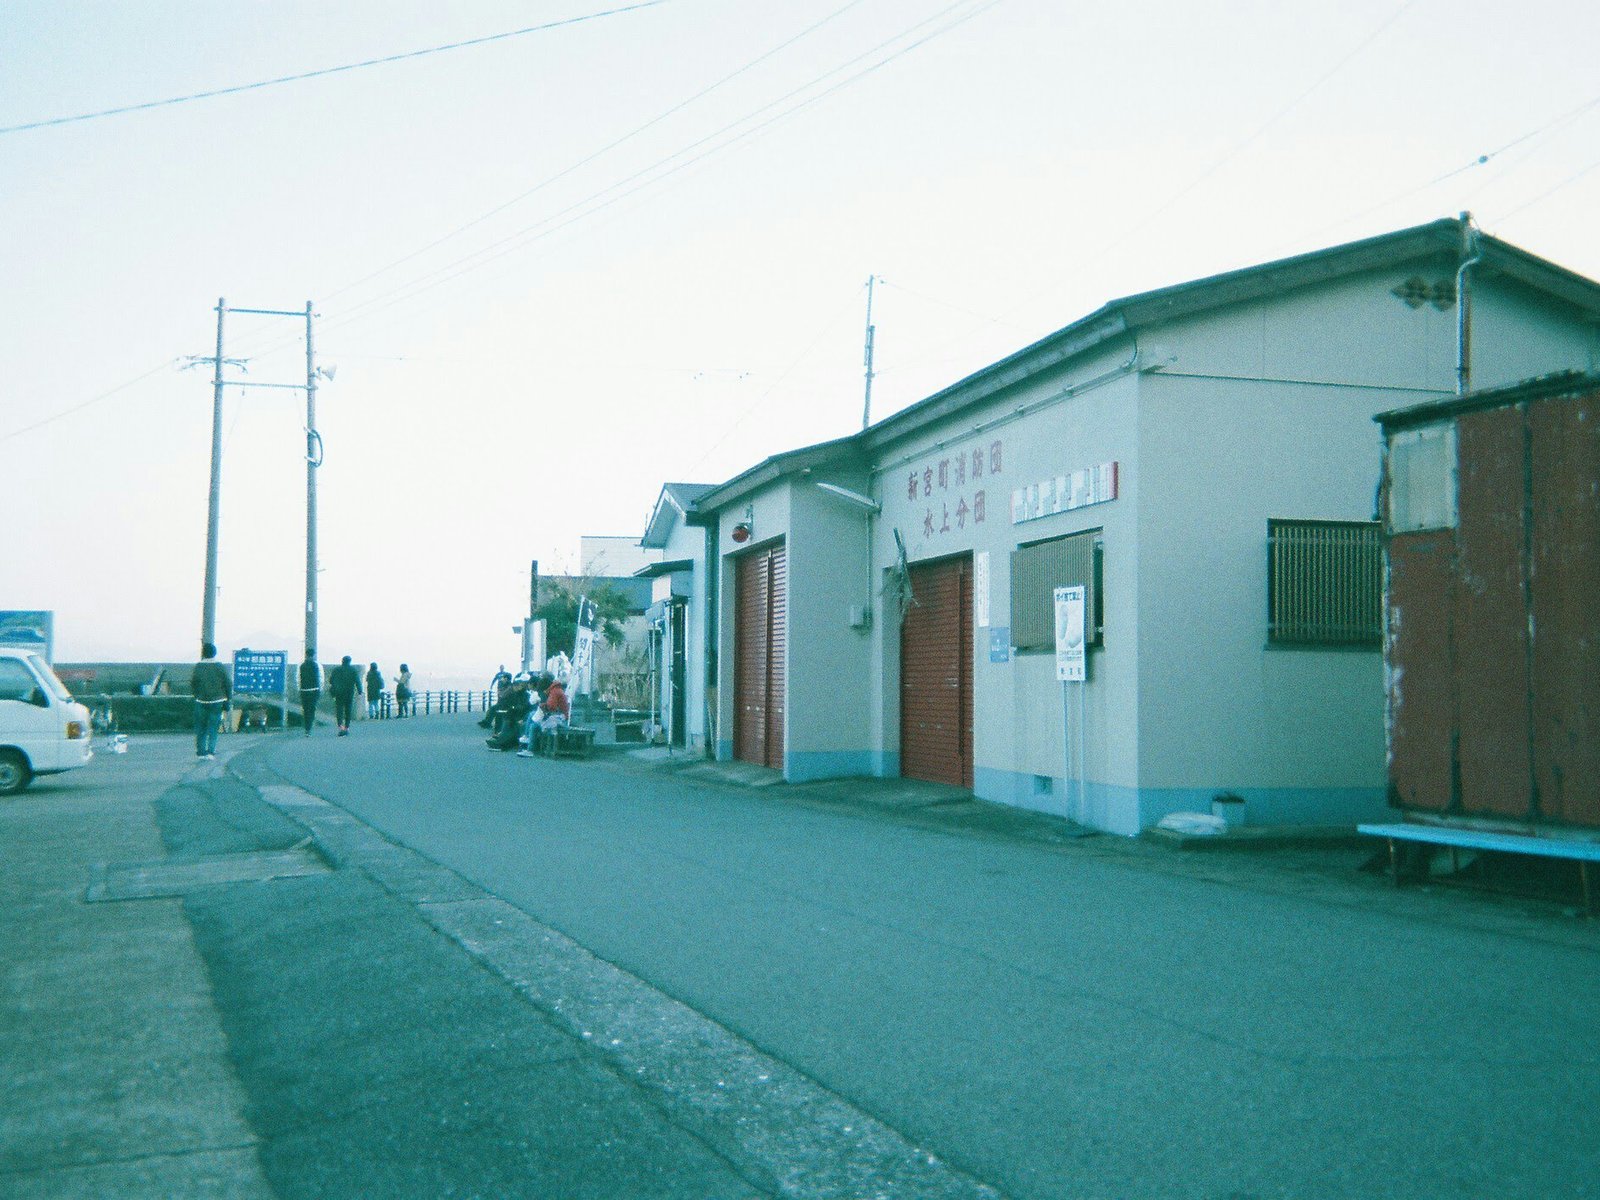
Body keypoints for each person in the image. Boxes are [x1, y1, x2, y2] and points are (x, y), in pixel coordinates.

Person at [190, 642, 231, 760]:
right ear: (215, 653)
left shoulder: (198, 666)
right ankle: (210, 752)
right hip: (217, 701)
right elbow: (227, 684)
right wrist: (228, 699)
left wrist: (197, 695)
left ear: (203, 653)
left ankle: (201, 752)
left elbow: (193, 683)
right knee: (213, 727)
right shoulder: (219, 666)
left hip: (201, 701)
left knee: (201, 728)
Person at [524, 672, 569, 757]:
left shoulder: (554, 692)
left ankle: (530, 749)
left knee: (534, 726)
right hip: (558, 716)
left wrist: (542, 706)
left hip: (560, 718)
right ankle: (527, 738)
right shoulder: (555, 690)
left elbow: (551, 707)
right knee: (532, 716)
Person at [487, 674, 534, 751]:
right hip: (516, 715)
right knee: (507, 722)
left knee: (512, 726)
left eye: (522, 683)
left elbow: (526, 708)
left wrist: (514, 709)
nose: (520, 685)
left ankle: (500, 743)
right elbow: (510, 704)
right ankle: (500, 740)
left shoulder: (527, 695)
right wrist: (511, 709)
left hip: (522, 716)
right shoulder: (519, 693)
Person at [329, 655, 361, 736]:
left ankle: (341, 727)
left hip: (339, 693)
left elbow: (331, 681)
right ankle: (347, 727)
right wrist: (360, 691)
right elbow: (357, 681)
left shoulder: (336, 670)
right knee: (348, 710)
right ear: (349, 661)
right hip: (349, 692)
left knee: (339, 710)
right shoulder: (353, 670)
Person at [298, 650, 322, 735]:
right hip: (314, 690)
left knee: (305, 709)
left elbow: (297, 678)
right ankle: (309, 728)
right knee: (312, 709)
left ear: (306, 655)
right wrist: (320, 689)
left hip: (304, 690)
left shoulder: (301, 665)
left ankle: (307, 728)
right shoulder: (317, 665)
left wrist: (299, 689)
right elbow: (320, 678)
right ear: (314, 655)